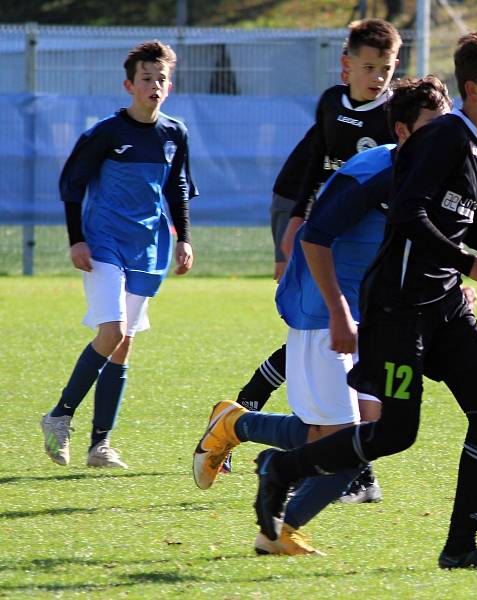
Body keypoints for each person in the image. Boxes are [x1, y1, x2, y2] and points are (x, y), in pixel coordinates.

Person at [251, 32, 477, 571]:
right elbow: (407, 216)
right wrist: (468, 265)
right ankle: (284, 469)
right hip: (397, 309)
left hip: (445, 305)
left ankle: (461, 547)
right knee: (395, 434)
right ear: (474, 89)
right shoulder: (443, 138)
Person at [193, 76, 454, 556]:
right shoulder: (371, 172)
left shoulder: (428, 176)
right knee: (349, 441)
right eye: (432, 129)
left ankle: (237, 428)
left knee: (351, 437)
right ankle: (278, 519)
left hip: (370, 317)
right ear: (401, 131)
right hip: (324, 312)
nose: (444, 140)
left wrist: (458, 284)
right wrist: (338, 313)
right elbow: (314, 239)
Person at [227, 19, 403, 500]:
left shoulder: (395, 116)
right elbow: (314, 162)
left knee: (346, 344)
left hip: (362, 244)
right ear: (347, 66)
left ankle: (258, 423)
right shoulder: (331, 103)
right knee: (327, 337)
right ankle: (328, 460)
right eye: (369, 67)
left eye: (385, 68)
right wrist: (297, 219)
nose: (377, 77)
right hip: (324, 241)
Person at [40, 40, 196, 469]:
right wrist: (77, 239)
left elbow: (177, 188)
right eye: (147, 78)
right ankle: (59, 416)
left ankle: (99, 445)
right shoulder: (108, 133)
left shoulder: (174, 133)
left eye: (162, 78)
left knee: (124, 344)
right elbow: (72, 185)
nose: (155, 85)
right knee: (112, 332)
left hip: (147, 248)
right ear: (129, 84)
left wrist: (183, 238)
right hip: (104, 243)